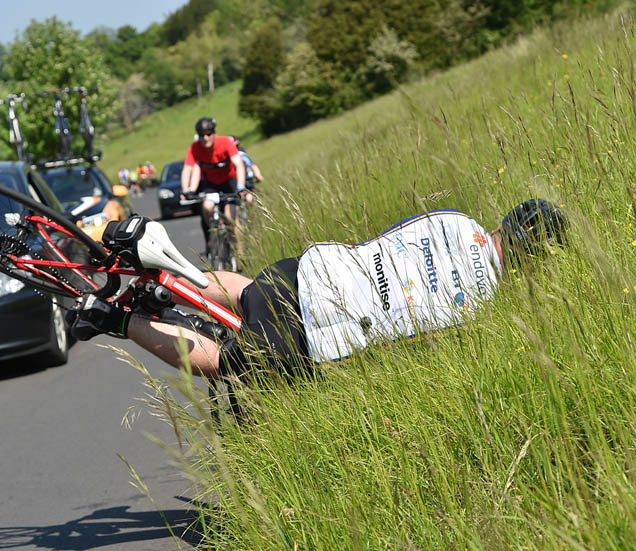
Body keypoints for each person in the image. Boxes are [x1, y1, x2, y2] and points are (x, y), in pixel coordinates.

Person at [71, 199, 566, 382]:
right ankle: (115, 320)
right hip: (326, 336)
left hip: (320, 270)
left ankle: (164, 282)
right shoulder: (484, 307)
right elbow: (417, 352)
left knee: (248, 292)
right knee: (230, 363)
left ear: (508, 220)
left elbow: (394, 233)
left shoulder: (457, 221)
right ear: (535, 260)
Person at [180, 117, 246, 248]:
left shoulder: (226, 142)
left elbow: (239, 165)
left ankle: (241, 256)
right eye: (201, 135)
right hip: (211, 184)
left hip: (230, 182)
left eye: (208, 134)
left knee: (230, 218)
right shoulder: (195, 147)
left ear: (214, 133)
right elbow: (188, 169)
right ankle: (214, 233)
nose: (205, 138)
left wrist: (241, 187)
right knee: (207, 207)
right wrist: (185, 190)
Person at [230, 136, 263, 206]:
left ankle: (253, 209)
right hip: (234, 180)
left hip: (247, 179)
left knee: (249, 198)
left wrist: (258, 175)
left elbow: (252, 166)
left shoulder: (241, 155)